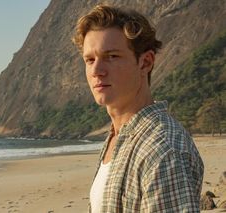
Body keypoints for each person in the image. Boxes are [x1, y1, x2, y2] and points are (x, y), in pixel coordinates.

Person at [72, 4, 204, 213]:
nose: (96, 70)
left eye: (112, 57)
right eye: (90, 60)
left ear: (145, 62)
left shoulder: (162, 149)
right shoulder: (119, 137)